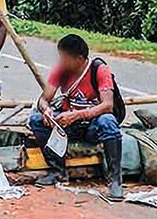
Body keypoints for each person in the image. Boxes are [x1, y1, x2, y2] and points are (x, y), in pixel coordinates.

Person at [28, 34, 123, 198]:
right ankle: (58, 170)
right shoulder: (60, 70)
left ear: (79, 59)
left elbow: (107, 105)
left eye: (65, 58)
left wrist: (77, 115)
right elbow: (44, 99)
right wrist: (46, 110)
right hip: (70, 124)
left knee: (108, 121)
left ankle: (115, 180)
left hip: (93, 125)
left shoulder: (100, 70)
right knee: (36, 120)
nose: (61, 62)